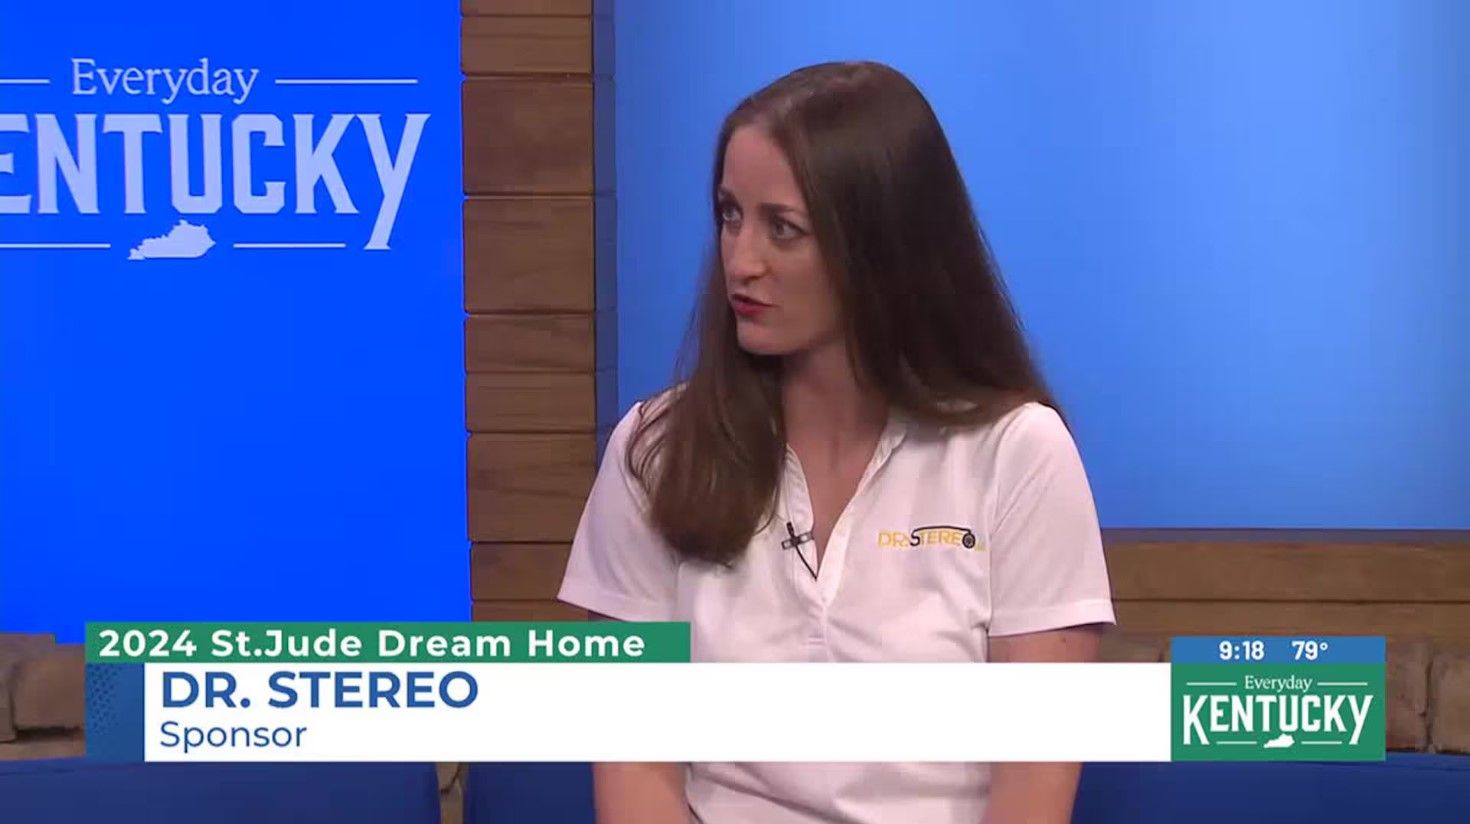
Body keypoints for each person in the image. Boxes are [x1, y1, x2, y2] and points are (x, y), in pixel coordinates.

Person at [557, 60, 1115, 824]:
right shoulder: (655, 451)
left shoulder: (1017, 455)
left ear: (880, 245)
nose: (741, 260)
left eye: (782, 228)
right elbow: (634, 772)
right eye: (729, 215)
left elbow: (1031, 795)